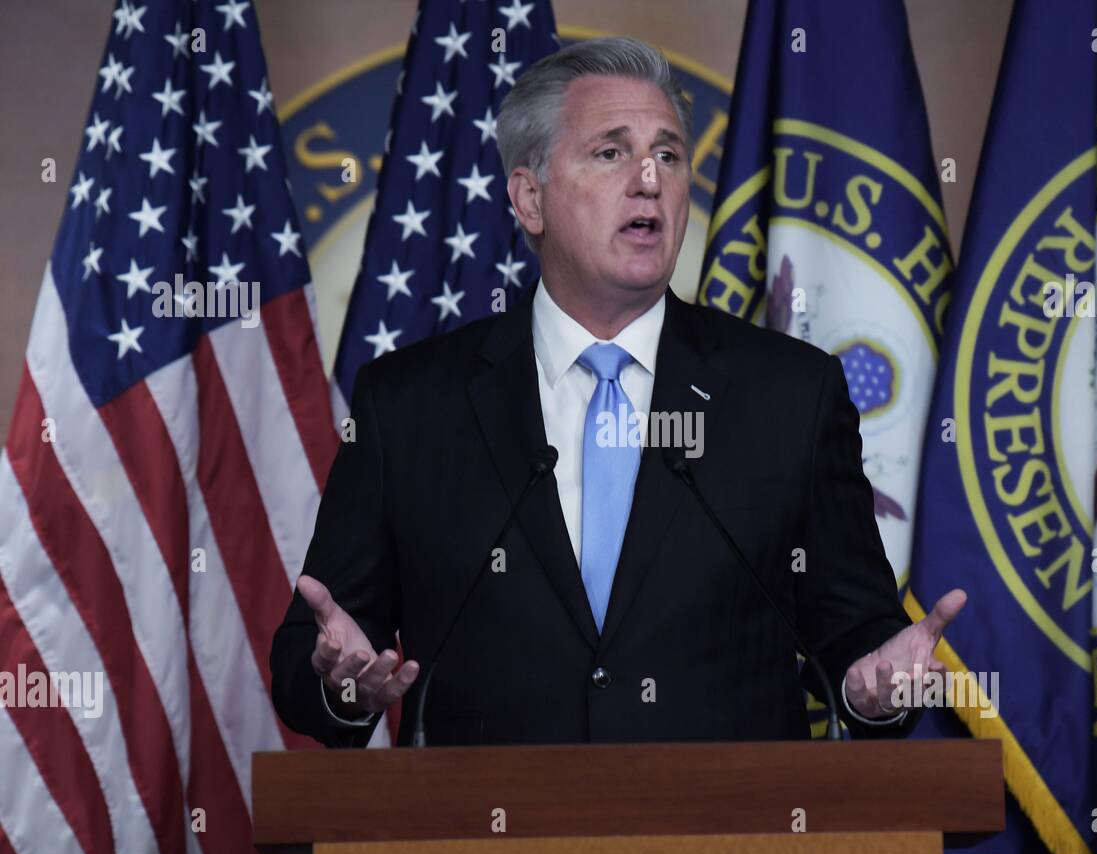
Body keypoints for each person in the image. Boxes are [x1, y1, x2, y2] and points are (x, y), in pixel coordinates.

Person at [270, 36, 964, 748]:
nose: (649, 180)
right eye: (610, 152)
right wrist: (340, 685)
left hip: (727, 838)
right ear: (529, 199)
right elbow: (311, 650)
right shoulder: (409, 406)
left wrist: (872, 687)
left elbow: (858, 634)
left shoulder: (789, 395)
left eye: (668, 155)